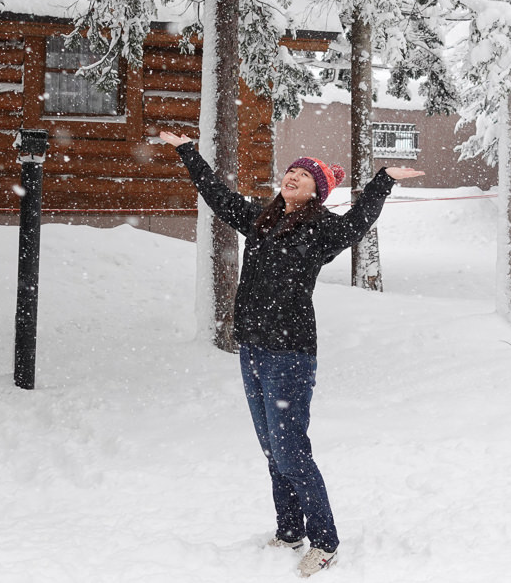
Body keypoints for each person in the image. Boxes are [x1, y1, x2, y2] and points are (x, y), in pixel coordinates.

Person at [158, 130, 424, 578]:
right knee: (272, 449)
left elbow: (358, 222)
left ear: (316, 190)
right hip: (253, 349)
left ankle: (325, 541)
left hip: (290, 355)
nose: (292, 177)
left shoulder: (321, 229)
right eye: (290, 171)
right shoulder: (261, 220)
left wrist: (383, 180)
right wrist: (187, 151)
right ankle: (289, 530)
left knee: (291, 452)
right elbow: (218, 196)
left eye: (303, 175)